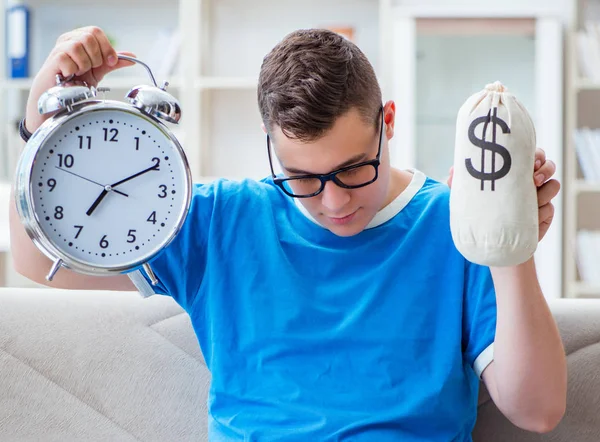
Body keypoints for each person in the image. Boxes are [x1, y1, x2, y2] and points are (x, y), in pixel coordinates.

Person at [9, 26, 566, 441]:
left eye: (353, 168)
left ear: (388, 122)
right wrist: (44, 120)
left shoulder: (452, 223)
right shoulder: (215, 220)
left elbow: (537, 410)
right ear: (269, 141)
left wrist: (508, 241)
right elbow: (39, 265)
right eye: (301, 177)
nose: (334, 201)